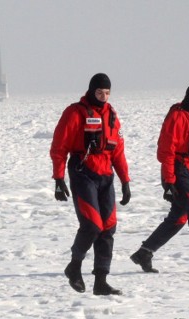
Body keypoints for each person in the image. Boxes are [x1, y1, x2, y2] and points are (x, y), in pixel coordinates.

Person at [130, 83, 189, 274]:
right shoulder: (177, 117)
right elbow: (166, 151)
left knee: (179, 217)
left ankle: (144, 252)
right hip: (177, 171)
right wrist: (168, 182)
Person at [50, 73, 131, 295]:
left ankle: (101, 281)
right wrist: (58, 179)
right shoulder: (75, 113)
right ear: (91, 91)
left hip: (106, 175)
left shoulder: (112, 116)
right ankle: (74, 266)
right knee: (92, 225)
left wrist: (125, 180)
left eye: (107, 93)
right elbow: (59, 147)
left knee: (108, 228)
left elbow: (118, 152)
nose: (104, 97)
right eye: (99, 92)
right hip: (83, 172)